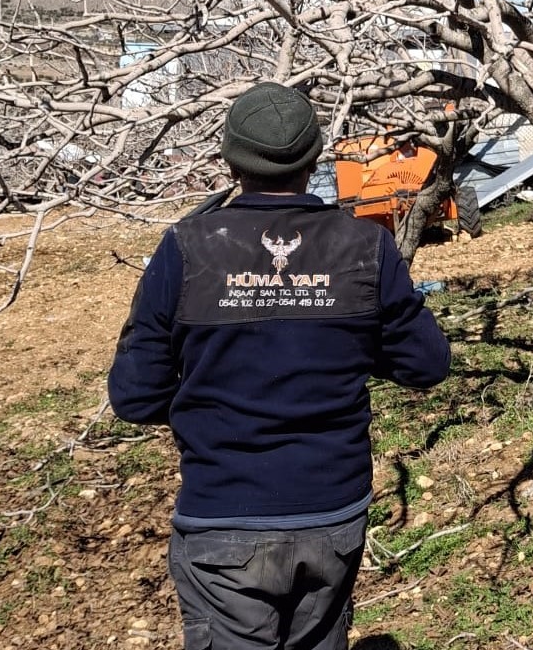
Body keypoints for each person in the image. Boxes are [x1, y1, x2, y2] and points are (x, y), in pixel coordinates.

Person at [108, 82, 451, 650]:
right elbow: (426, 364)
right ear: (315, 157)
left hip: (223, 515)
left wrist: (211, 399)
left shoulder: (187, 247)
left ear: (230, 159)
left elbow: (135, 396)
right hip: (332, 515)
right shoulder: (365, 246)